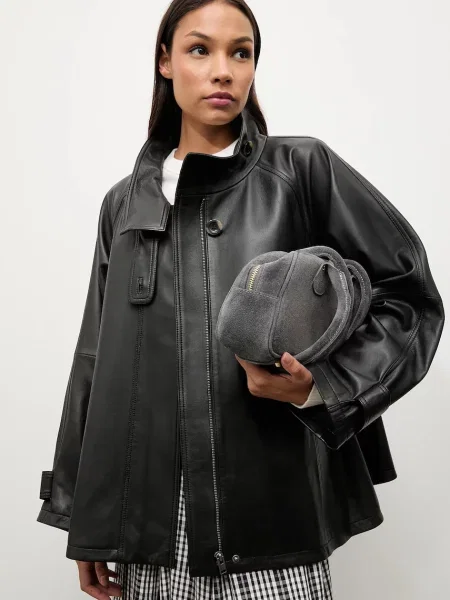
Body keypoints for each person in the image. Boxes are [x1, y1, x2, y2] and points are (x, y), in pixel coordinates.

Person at [35, 0, 445, 599]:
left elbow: (407, 295)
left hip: (272, 523)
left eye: (241, 52)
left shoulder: (300, 169)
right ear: (165, 61)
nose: (223, 70)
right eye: (200, 49)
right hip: (153, 534)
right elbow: (95, 359)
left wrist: (321, 388)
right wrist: (82, 517)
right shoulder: (123, 205)